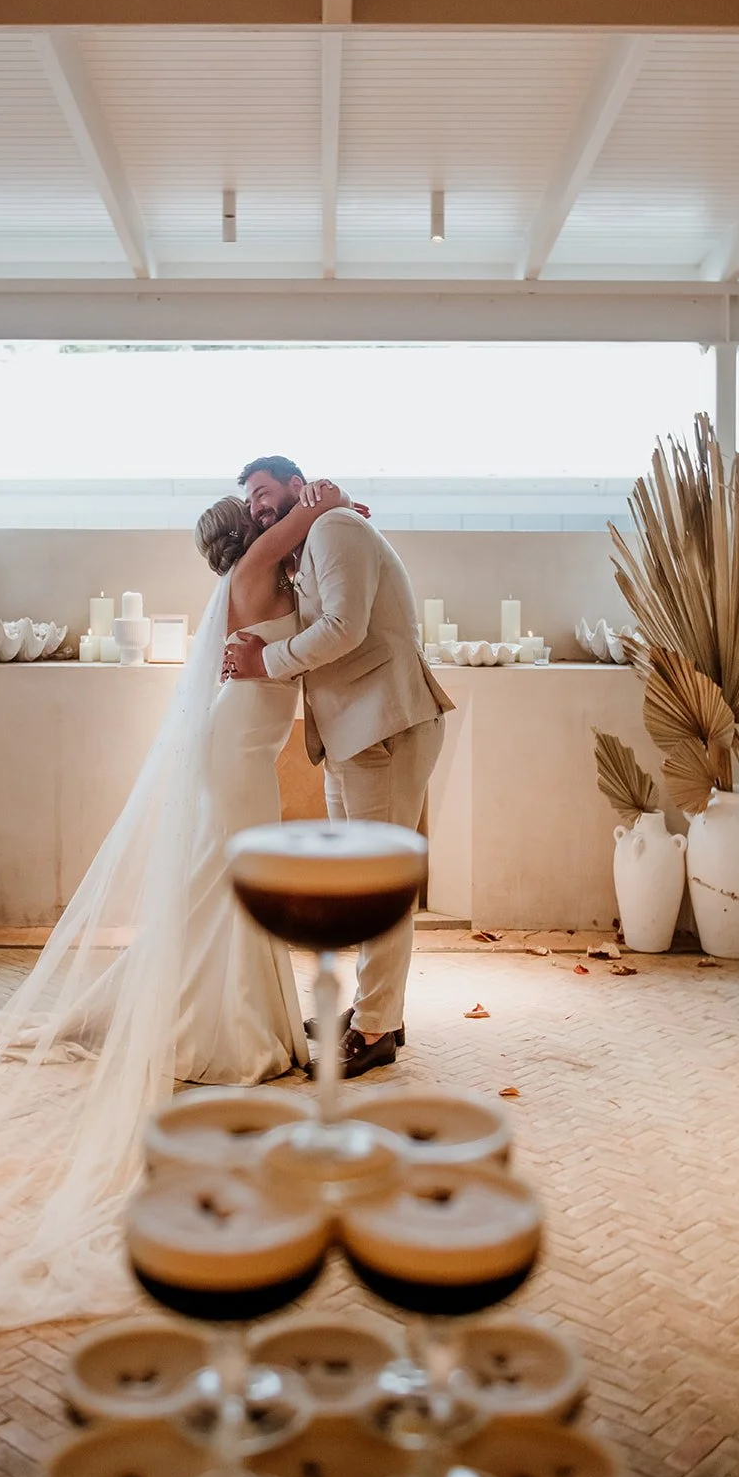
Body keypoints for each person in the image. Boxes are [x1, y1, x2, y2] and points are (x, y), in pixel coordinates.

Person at [0, 479, 361, 1331]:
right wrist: (327, 497)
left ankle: (239, 1017)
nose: (273, 523)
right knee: (227, 880)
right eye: (261, 516)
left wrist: (314, 522)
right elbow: (296, 537)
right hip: (236, 751)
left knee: (224, 883)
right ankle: (219, 1029)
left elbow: (313, 610)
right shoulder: (249, 578)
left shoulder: (272, 583)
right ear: (246, 538)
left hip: (243, 744)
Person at [223, 456, 454, 1078]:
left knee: (378, 880)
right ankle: (378, 1009)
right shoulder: (311, 536)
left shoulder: (334, 529)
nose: (258, 508)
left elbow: (345, 628)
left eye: (265, 493)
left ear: (299, 486)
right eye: (250, 504)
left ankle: (377, 1027)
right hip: (352, 732)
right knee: (356, 880)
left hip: (385, 725)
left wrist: (264, 663)